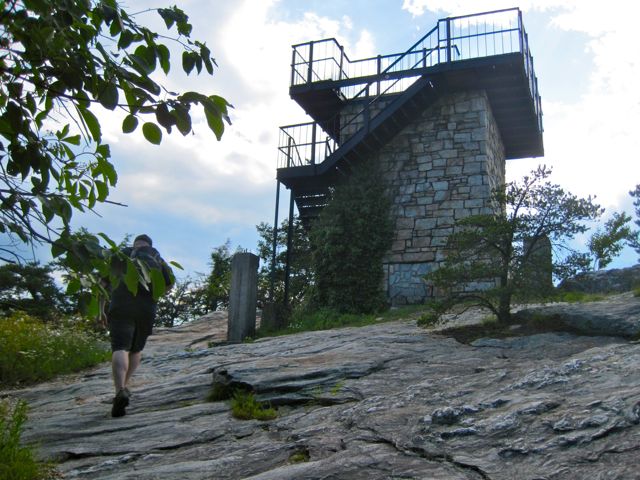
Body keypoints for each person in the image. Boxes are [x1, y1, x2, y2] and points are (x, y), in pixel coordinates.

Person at [107, 234, 174, 417]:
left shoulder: (120, 256)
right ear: (149, 245)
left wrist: (101, 309)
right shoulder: (158, 260)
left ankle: (119, 389)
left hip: (121, 305)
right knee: (135, 350)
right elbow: (168, 287)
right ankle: (123, 388)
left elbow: (104, 282)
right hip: (146, 308)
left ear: (134, 244)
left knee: (120, 347)